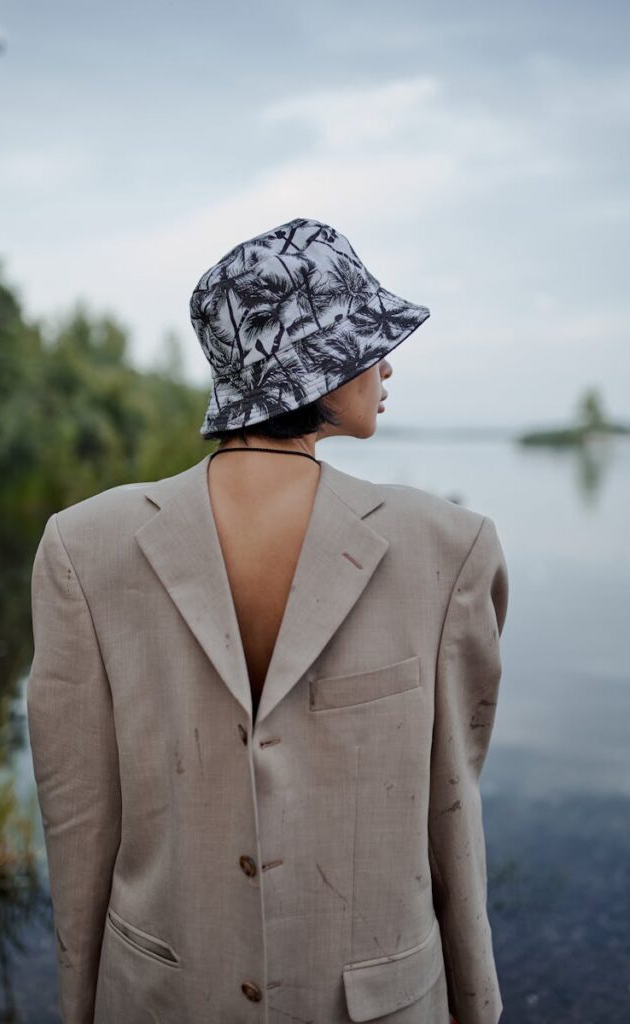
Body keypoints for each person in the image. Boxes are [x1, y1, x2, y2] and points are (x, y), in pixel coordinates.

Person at [27, 217, 508, 1024]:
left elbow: (76, 827)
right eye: (365, 342)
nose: (385, 364)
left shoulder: (445, 551)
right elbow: (453, 817)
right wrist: (475, 1008)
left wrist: (77, 1007)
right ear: (314, 364)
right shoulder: (451, 545)